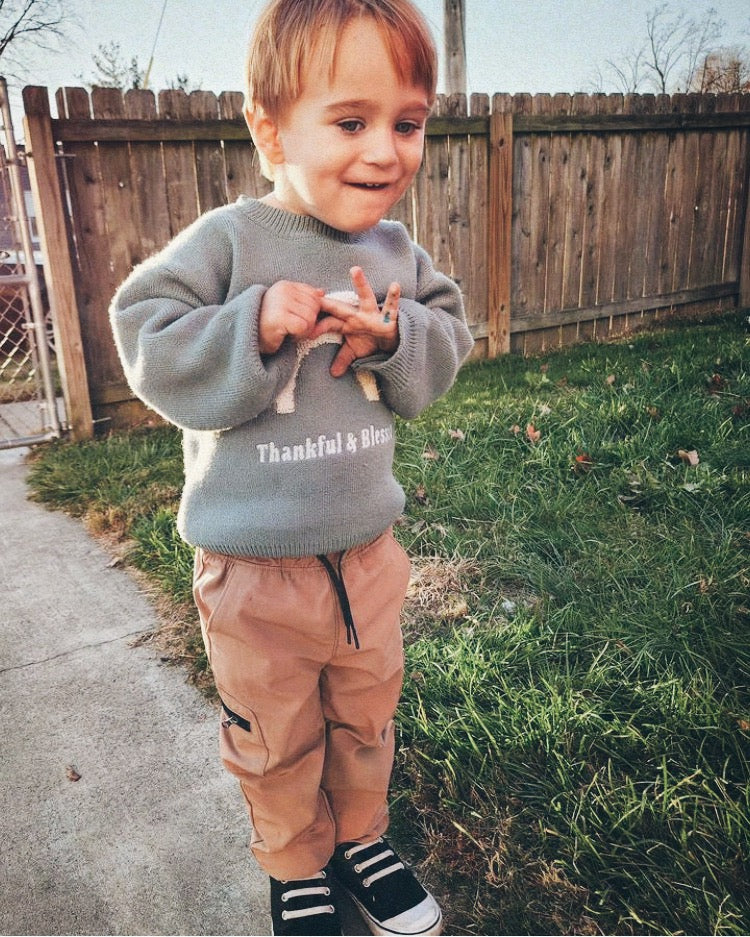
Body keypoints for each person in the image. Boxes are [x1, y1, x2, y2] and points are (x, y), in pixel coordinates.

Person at [110, 0, 473, 933]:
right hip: (253, 571)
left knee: (363, 717)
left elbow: (447, 339)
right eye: (351, 122)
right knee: (275, 735)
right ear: (269, 128)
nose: (386, 151)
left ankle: (360, 838)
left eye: (407, 123)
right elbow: (143, 328)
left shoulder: (393, 251)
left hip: (366, 556)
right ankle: (294, 861)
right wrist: (253, 320)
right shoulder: (231, 241)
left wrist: (398, 334)